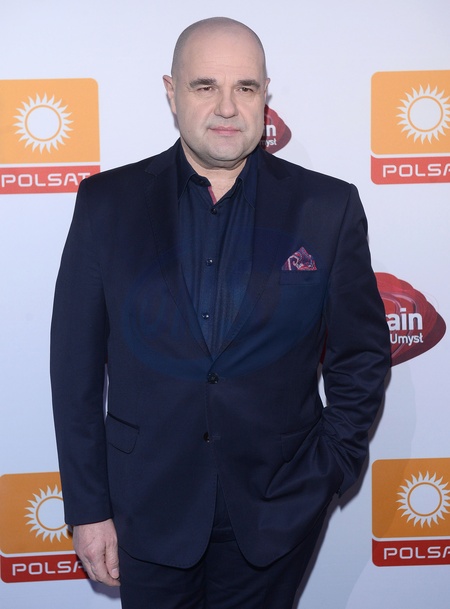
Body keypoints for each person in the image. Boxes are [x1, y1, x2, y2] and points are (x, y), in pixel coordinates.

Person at [50, 16, 391, 609]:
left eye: (246, 87)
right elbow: (74, 366)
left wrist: (329, 468)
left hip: (277, 509)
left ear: (265, 95)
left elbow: (361, 355)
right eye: (205, 86)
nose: (227, 107)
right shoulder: (107, 204)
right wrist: (88, 507)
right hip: (143, 508)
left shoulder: (327, 208)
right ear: (171, 92)